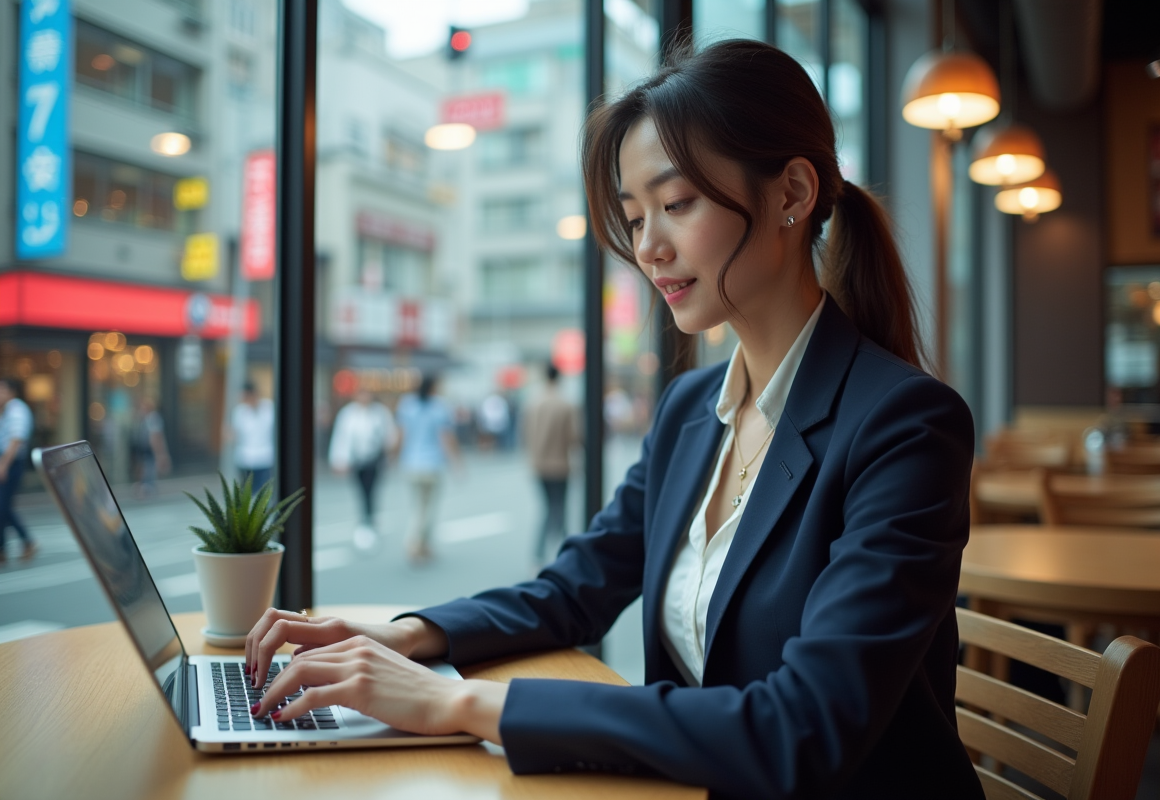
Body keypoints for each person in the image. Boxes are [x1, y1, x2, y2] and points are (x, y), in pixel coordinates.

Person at [243, 40, 983, 800]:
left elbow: (802, 728)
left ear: (792, 191)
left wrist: (452, 701)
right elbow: (576, 589)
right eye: (634, 217)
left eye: (677, 204)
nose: (648, 247)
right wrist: (399, 636)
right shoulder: (692, 412)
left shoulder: (906, 427)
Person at [395, 374, 459, 564]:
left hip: (411, 463)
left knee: (418, 506)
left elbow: (401, 434)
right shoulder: (439, 407)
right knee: (428, 509)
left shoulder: (407, 405)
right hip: (432, 464)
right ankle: (414, 543)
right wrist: (456, 461)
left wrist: (393, 456)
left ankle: (424, 545)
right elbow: (445, 437)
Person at [522, 363, 578, 563]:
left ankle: (538, 555)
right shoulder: (565, 404)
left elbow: (525, 435)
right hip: (560, 465)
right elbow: (574, 436)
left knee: (546, 508)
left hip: (538, 465)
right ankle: (565, 553)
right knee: (560, 508)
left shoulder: (533, 403)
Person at [328, 389, 395, 549]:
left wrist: (390, 455)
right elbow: (341, 437)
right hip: (356, 460)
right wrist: (339, 460)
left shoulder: (380, 413)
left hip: (375, 460)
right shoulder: (348, 413)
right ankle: (365, 520)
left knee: (371, 490)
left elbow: (389, 436)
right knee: (361, 491)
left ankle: (369, 521)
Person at [0, 378, 37, 564]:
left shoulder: (17, 410)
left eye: (1, 389)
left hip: (12, 462)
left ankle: (8, 547)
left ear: (11, 392)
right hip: (6, 461)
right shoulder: (5, 411)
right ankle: (23, 542)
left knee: (2, 506)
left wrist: (3, 465)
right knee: (4, 506)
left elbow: (16, 440)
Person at [231, 381, 274, 494]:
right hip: (245, 459)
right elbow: (235, 433)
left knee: (264, 493)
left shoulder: (269, 408)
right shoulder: (240, 411)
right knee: (247, 493)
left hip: (265, 458)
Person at [131, 396, 170, 498]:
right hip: (146, 451)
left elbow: (155, 437)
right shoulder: (149, 418)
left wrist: (160, 454)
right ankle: (146, 491)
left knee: (148, 473)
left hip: (148, 451)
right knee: (147, 472)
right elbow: (154, 437)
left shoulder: (151, 418)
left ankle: (146, 491)